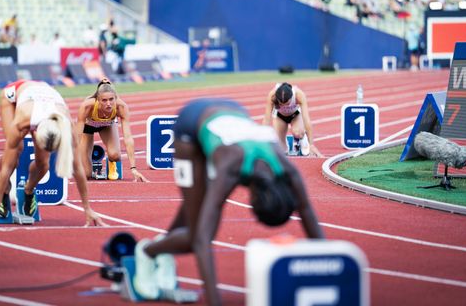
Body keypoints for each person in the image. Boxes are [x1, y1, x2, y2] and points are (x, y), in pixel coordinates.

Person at [132, 98, 324, 305]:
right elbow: (202, 241)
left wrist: (329, 269)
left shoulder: (288, 170)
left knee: (195, 207)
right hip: (190, 125)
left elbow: (306, 211)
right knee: (194, 234)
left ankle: (165, 248)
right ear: (253, 198)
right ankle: (146, 251)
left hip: (232, 110)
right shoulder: (230, 170)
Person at [0, 80, 105, 227]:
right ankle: (4, 191)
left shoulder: (66, 125)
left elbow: (78, 169)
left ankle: (28, 190)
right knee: (15, 151)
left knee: (43, 164)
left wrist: (88, 209)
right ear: (36, 133)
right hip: (13, 96)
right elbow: (6, 168)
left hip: (43, 96)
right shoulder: (21, 122)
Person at [75, 78, 148, 182]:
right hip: (87, 128)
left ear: (115, 98)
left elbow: (128, 138)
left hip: (107, 125)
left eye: (111, 99)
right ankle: (89, 158)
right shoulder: (87, 106)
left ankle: (111, 164)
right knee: (86, 174)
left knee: (115, 155)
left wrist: (133, 168)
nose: (108, 103)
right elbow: (77, 135)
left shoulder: (121, 107)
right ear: (97, 100)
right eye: (104, 100)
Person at [262, 82, 323, 157]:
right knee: (281, 149)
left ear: (291, 97)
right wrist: (262, 141)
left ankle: (300, 140)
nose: (284, 106)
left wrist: (311, 144)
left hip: (295, 115)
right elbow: (267, 119)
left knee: (298, 132)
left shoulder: (299, 95)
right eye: (281, 104)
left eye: (287, 104)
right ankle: (287, 144)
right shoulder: (272, 96)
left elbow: (306, 120)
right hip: (279, 116)